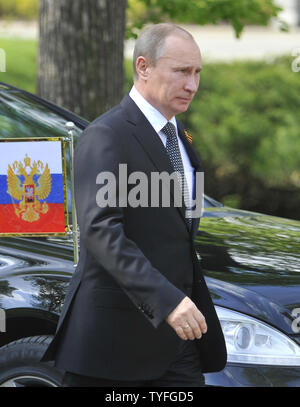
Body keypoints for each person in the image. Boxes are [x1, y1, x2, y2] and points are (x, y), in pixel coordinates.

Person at [41, 23, 227, 387]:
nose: (192, 85)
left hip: (178, 346)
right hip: (115, 347)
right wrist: (167, 301)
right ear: (143, 67)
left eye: (197, 73)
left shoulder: (181, 139)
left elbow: (177, 233)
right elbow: (100, 230)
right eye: (181, 72)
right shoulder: (106, 135)